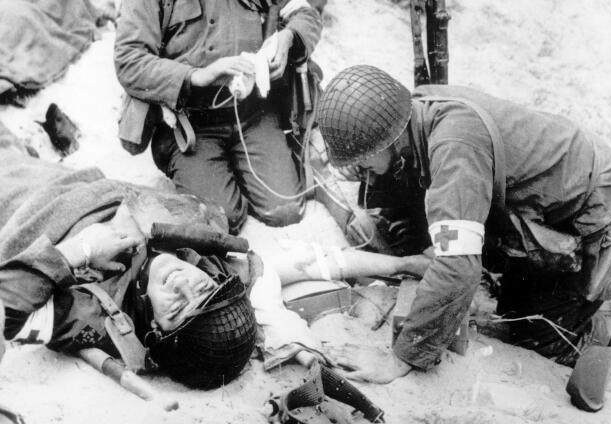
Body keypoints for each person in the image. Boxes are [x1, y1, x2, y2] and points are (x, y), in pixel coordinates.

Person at [315, 64, 611, 384]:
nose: (365, 174)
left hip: (598, 222)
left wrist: (400, 359)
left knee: (545, 337)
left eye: (366, 163)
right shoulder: (415, 110)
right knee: (511, 300)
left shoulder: (455, 148)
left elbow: (456, 267)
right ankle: (610, 303)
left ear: (388, 141)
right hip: (551, 211)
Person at [0, 121, 429, 389]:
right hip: (76, 184)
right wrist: (400, 265)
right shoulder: (214, 272)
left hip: (23, 208)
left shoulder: (96, 318)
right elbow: (313, 263)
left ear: (154, 332)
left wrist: (84, 248)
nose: (185, 282)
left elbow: (7, 311)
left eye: (179, 308)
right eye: (201, 288)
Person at [114, 0, 322, 233]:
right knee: (223, 220)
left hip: (255, 115)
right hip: (191, 124)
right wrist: (196, 75)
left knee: (285, 210)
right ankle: (199, 172)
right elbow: (130, 61)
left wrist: (288, 41)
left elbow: (303, 12)